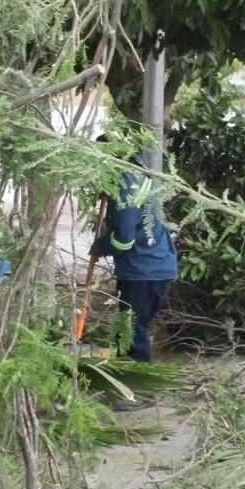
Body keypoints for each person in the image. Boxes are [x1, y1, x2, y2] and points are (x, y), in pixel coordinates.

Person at [90, 152, 178, 364]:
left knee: (132, 330)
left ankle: (141, 388)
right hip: (155, 268)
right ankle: (126, 378)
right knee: (128, 328)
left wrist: (100, 246)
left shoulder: (125, 186)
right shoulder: (138, 178)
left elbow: (124, 240)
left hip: (143, 272)